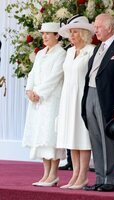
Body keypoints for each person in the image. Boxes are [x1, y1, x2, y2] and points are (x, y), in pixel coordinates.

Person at [81, 13, 114, 192]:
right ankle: (100, 178)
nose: (95, 30)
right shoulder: (97, 48)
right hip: (91, 96)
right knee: (95, 139)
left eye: (98, 26)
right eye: (95, 26)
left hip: (109, 101)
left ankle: (111, 180)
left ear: (110, 28)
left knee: (109, 140)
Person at [22, 22, 66, 186]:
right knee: (40, 136)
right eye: (43, 34)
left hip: (51, 100)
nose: (45, 37)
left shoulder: (61, 53)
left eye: (49, 33)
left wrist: (38, 92)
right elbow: (33, 74)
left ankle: (53, 174)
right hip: (37, 101)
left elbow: (54, 77)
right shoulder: (40, 53)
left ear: (57, 35)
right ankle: (46, 174)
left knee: (50, 136)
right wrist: (29, 90)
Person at [56, 15, 95, 189]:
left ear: (84, 33)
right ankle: (74, 176)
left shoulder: (92, 50)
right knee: (71, 136)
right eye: (70, 32)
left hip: (83, 96)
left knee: (82, 137)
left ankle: (83, 176)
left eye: (75, 32)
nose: (71, 36)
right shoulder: (69, 52)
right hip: (68, 97)